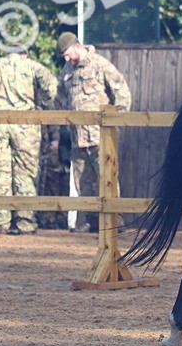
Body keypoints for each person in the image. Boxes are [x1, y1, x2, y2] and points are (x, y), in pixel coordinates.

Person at [0, 49, 58, 234]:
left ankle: (0, 221)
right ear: (26, 52)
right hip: (25, 124)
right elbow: (51, 85)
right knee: (25, 173)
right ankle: (25, 221)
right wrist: (42, 106)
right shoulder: (32, 66)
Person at [54, 32, 131, 233]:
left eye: (68, 54)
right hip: (77, 138)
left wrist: (117, 122)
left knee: (107, 177)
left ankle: (114, 220)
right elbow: (60, 97)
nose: (66, 58)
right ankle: (90, 221)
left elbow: (121, 91)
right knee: (83, 182)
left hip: (100, 136)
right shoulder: (67, 70)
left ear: (77, 46)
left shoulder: (99, 64)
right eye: (63, 56)